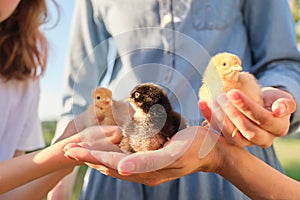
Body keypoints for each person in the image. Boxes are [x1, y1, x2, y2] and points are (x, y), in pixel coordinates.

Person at [51, 0, 300, 199]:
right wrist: (58, 176)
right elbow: (78, 90)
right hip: (124, 162)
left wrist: (274, 101)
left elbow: (282, 61)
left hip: (231, 159)